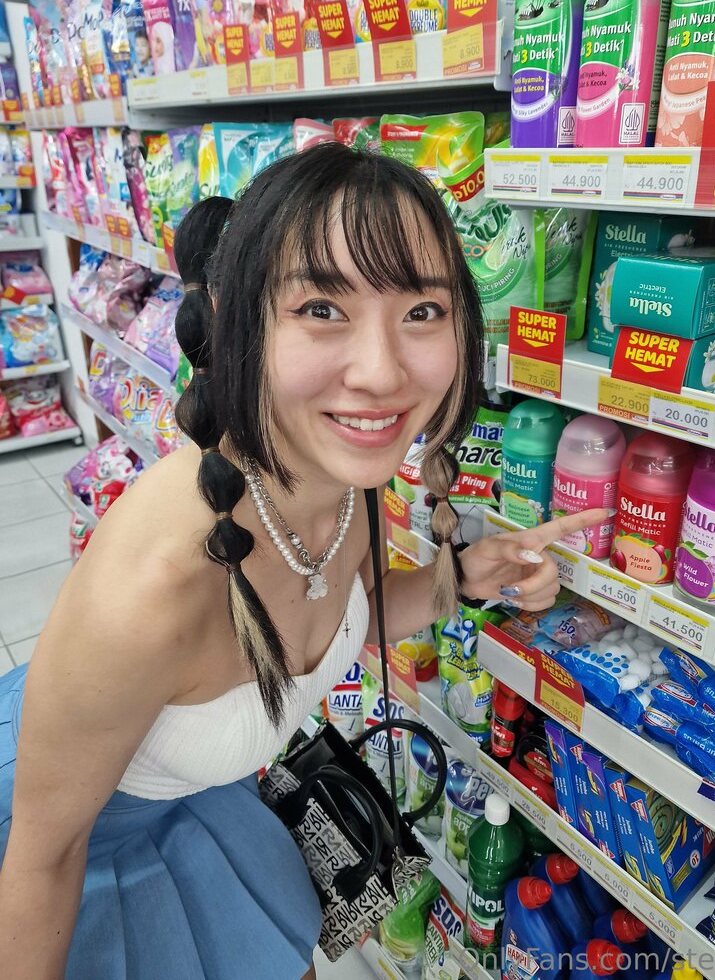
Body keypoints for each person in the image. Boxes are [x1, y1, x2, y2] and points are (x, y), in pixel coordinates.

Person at [0, 144, 607, 979]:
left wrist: (464, 578)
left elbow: (348, 615)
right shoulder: (152, 586)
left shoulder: (340, 480)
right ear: (243, 324)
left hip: (197, 800)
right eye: (322, 307)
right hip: (65, 847)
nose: (382, 372)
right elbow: (42, 860)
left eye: (422, 310)